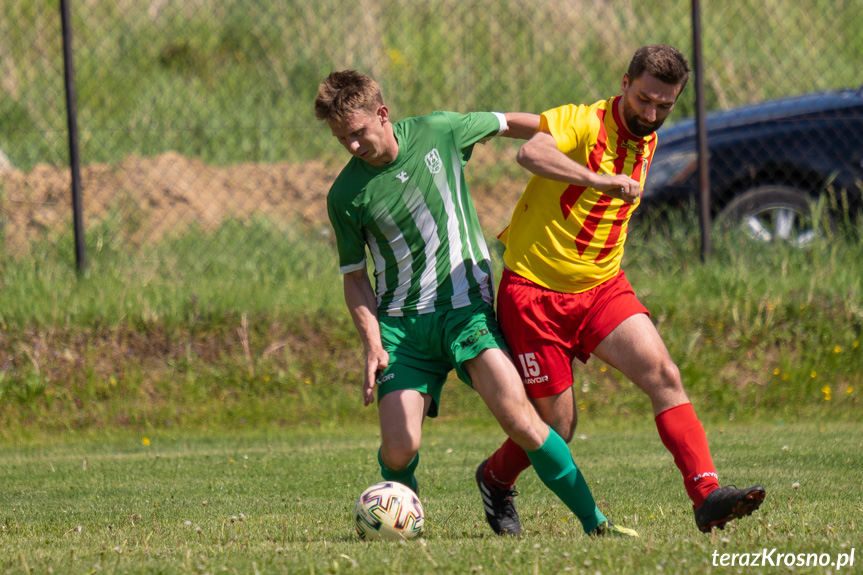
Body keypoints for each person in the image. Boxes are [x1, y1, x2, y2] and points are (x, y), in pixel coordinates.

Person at [315, 70, 637, 538]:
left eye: (358, 133)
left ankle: (597, 523)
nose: (351, 146)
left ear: (383, 115)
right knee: (400, 446)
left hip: (466, 312)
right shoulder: (345, 195)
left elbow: (508, 123)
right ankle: (402, 519)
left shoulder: (439, 131)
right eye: (341, 138)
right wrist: (372, 343)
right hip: (403, 329)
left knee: (522, 421)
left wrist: (572, 134)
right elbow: (354, 278)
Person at [477, 45, 766, 534]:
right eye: (645, 99)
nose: (651, 114)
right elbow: (533, 150)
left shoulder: (648, 133)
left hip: (602, 287)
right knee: (556, 430)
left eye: (664, 106)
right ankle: (494, 479)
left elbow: (526, 124)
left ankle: (706, 495)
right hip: (535, 293)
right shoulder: (585, 122)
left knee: (664, 374)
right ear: (625, 82)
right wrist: (597, 179)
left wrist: (499, 120)